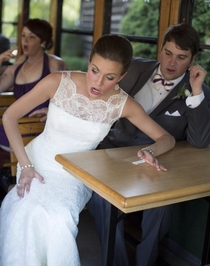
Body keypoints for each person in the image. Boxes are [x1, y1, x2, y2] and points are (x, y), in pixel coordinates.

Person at [0, 34, 175, 266]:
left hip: (76, 175)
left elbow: (167, 138)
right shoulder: (57, 82)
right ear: (89, 62)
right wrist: (26, 166)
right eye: (94, 71)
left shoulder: (123, 104)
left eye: (110, 77)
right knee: (19, 208)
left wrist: (151, 151)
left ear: (122, 76)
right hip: (36, 161)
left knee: (57, 218)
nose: (98, 83)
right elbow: (9, 116)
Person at [85, 23, 210, 266]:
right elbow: (95, 85)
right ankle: (118, 262)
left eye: (181, 57)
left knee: (162, 206)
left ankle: (145, 262)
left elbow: (200, 141)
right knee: (102, 200)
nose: (171, 63)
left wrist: (195, 91)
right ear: (160, 49)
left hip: (155, 164)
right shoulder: (134, 68)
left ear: (193, 59)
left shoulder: (199, 93)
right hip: (112, 153)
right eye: (168, 53)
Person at [0, 18, 68, 151]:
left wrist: (52, 111)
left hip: (42, 129)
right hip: (17, 127)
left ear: (43, 42)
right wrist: (0, 59)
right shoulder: (18, 66)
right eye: (23, 35)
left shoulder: (54, 64)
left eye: (31, 37)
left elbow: (71, 97)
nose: (25, 40)